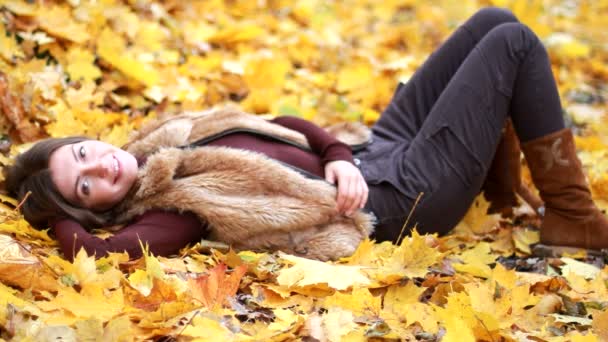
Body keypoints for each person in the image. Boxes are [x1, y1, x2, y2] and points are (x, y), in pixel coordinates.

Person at [5, 7, 607, 262]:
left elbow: (284, 126)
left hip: (371, 151)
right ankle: (571, 215)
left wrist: (339, 154)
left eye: (83, 154)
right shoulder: (170, 207)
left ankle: (501, 193)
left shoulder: (166, 141)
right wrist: (65, 221)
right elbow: (101, 254)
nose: (100, 168)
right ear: (97, 212)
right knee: (515, 44)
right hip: (399, 197)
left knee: (492, 21)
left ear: (89, 138)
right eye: (85, 188)